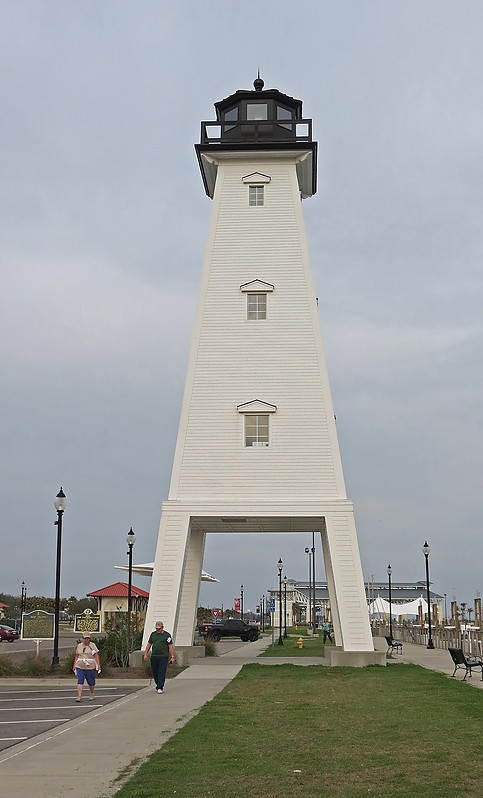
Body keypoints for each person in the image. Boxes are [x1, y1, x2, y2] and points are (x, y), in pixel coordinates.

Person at [144, 620, 176, 693]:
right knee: (155, 671)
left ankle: (160, 687)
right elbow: (149, 644)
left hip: (163, 656)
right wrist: (146, 653)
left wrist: (172, 656)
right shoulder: (153, 634)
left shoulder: (167, 635)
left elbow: (170, 646)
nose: (157, 630)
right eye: (156, 628)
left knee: (161, 671)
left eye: (159, 628)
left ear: (162, 627)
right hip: (154, 656)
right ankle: (158, 684)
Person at [73, 633, 101, 702]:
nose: (86, 640)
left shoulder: (92, 645)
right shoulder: (79, 646)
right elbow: (77, 656)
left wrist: (98, 665)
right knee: (80, 681)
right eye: (85, 638)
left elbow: (96, 655)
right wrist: (74, 665)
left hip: (90, 666)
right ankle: (79, 696)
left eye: (88, 638)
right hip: (80, 666)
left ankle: (91, 693)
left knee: (91, 682)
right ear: (82, 638)